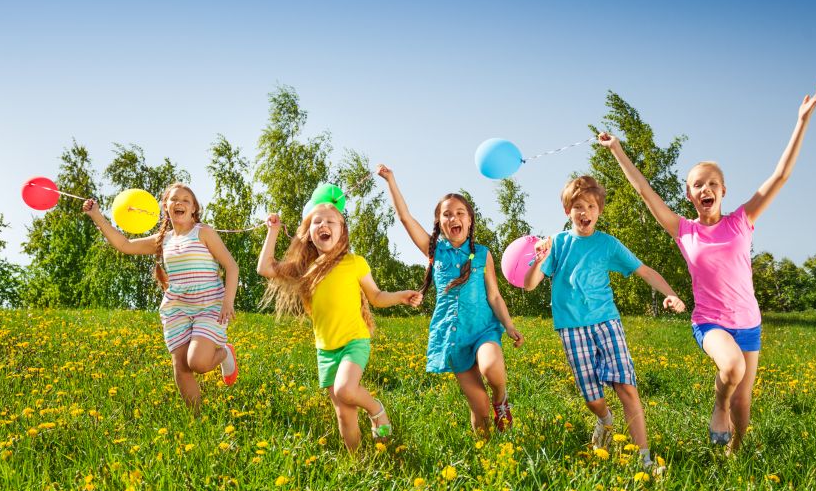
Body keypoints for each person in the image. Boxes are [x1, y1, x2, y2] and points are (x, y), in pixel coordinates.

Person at [599, 80, 816, 451]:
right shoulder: (683, 230)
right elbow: (644, 191)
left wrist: (802, 119)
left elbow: (781, 176)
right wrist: (618, 151)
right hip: (710, 321)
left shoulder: (742, 220)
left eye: (712, 184)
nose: (705, 189)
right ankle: (717, 406)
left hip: (749, 322)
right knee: (732, 369)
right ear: (689, 195)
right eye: (697, 185)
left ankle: (736, 450)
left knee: (745, 403)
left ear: (723, 191)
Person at [524, 175, 686, 468]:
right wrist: (539, 259)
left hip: (607, 323)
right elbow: (529, 285)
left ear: (599, 210)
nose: (584, 212)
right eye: (577, 207)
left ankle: (644, 460)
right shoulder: (557, 243)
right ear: (567, 212)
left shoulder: (608, 245)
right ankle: (604, 418)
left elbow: (645, 271)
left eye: (590, 206)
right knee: (592, 398)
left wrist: (671, 294)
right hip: (572, 328)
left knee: (627, 388)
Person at [257, 184, 423, 452]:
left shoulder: (354, 262)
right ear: (310, 235)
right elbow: (264, 268)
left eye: (331, 221)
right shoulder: (305, 268)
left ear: (342, 230)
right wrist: (273, 231)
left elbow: (377, 297)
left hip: (354, 342)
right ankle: (357, 462)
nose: (324, 224)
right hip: (326, 350)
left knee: (347, 390)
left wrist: (401, 296)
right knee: (344, 414)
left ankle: (375, 408)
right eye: (317, 221)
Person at [376, 165, 524, 436]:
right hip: (453, 336)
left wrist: (509, 325)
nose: (454, 218)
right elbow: (405, 218)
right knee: (479, 408)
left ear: (469, 220)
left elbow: (494, 295)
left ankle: (501, 399)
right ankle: (487, 450)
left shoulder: (482, 254)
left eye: (460, 213)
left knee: (492, 369)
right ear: (439, 223)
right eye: (447, 214)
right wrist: (390, 180)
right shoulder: (436, 252)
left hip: (483, 330)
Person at [83, 182, 239, 411]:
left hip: (208, 305)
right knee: (181, 365)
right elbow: (124, 245)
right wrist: (96, 215)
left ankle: (225, 352)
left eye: (186, 199)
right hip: (177, 309)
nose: (179, 202)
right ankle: (198, 420)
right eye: (174, 199)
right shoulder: (163, 240)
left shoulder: (203, 232)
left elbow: (231, 266)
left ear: (194, 208)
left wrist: (228, 301)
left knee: (198, 362)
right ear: (165, 207)